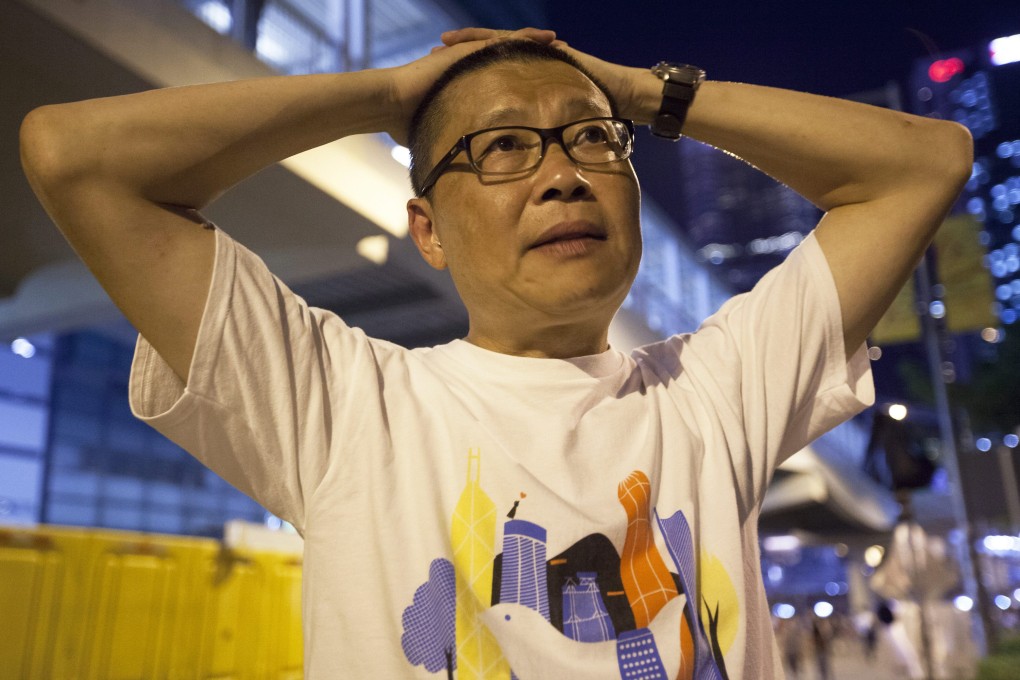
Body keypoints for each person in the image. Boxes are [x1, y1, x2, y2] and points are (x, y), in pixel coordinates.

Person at [20, 26, 971, 679]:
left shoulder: (713, 392)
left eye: (593, 140)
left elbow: (924, 162)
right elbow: (73, 154)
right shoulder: (342, 405)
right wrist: (391, 93)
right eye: (503, 147)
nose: (562, 176)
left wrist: (642, 93)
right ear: (428, 231)